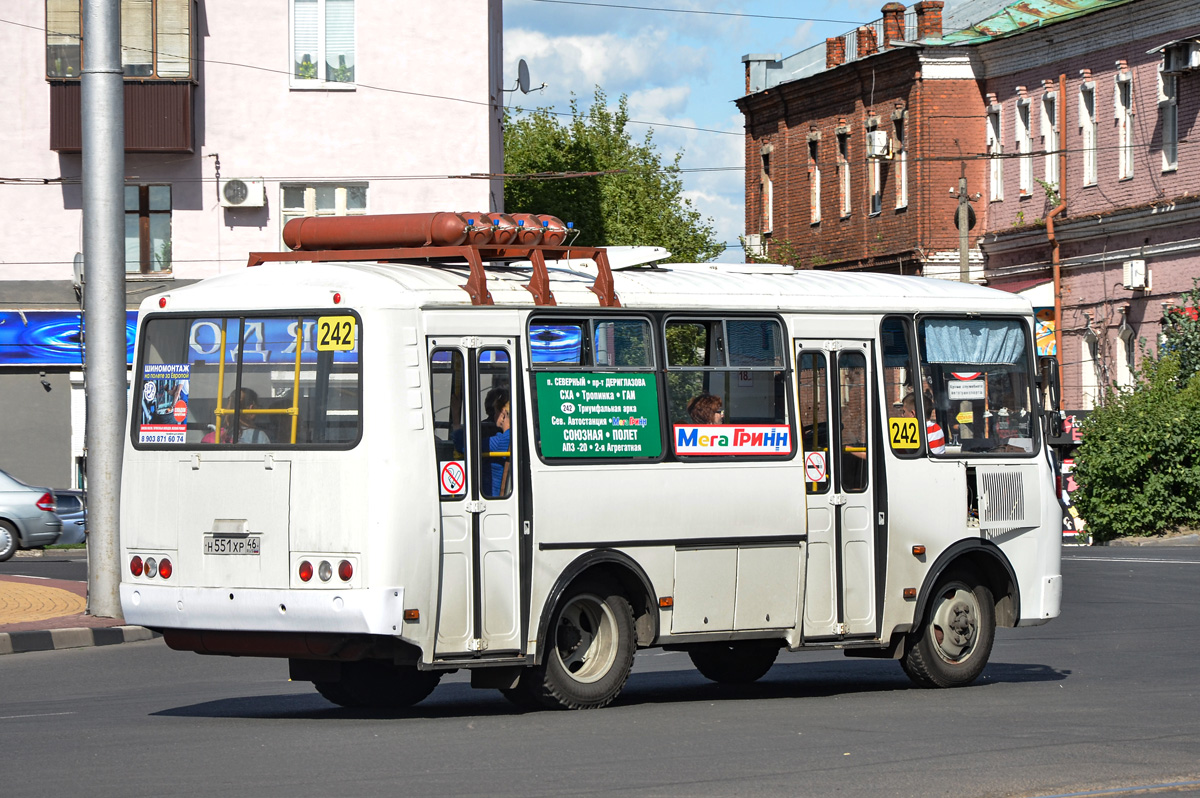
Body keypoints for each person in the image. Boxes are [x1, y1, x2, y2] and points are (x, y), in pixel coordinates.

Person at [486, 399, 512, 497]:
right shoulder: (515, 436)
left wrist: (456, 421)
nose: (493, 416)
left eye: (495, 412)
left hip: (492, 495)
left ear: (503, 414)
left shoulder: (500, 442)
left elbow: (461, 444)